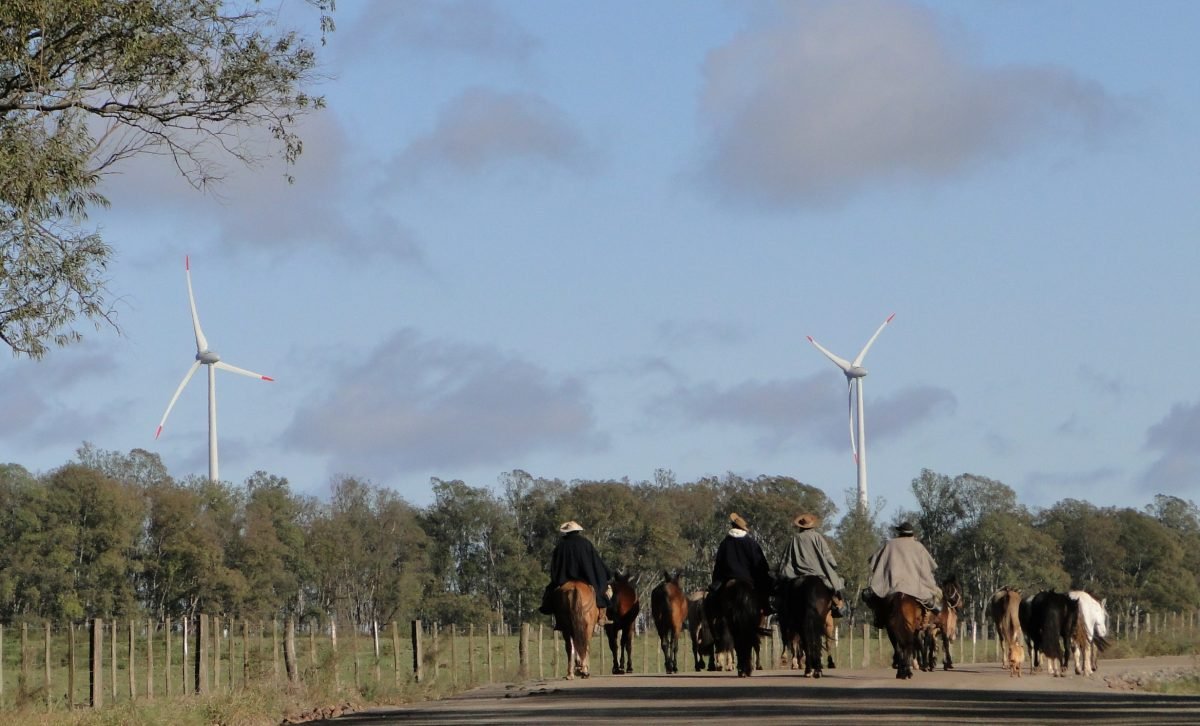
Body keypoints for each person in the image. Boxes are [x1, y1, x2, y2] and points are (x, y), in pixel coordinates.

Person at [861, 521, 940, 625]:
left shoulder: (889, 544)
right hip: (916, 589)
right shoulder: (919, 547)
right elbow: (928, 568)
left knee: (870, 596)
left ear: (900, 533)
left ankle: (879, 618)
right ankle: (934, 616)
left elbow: (873, 561)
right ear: (912, 534)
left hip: (893, 586)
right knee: (937, 597)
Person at [538, 520, 613, 620]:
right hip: (587, 578)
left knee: (550, 592)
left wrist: (557, 578)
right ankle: (602, 616)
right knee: (602, 590)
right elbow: (596, 562)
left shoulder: (561, 545)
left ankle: (551, 612)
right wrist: (606, 573)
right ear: (578, 531)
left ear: (567, 532)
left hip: (564, 579)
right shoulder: (586, 543)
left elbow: (555, 566)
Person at [777, 513, 847, 617]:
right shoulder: (817, 537)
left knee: (780, 590)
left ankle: (775, 605)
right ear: (812, 525)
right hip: (818, 574)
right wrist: (831, 566)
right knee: (836, 585)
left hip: (796, 574)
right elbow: (829, 560)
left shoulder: (795, 538)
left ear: (800, 526)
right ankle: (838, 606)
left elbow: (786, 560)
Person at [710, 512, 774, 616]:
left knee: (713, 598)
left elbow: (718, 565)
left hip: (728, 579)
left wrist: (716, 580)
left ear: (732, 527)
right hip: (748, 580)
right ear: (743, 529)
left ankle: (715, 614)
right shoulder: (751, 543)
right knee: (764, 591)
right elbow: (761, 565)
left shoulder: (725, 543)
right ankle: (766, 607)